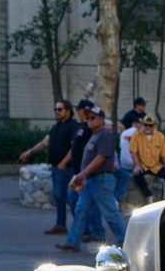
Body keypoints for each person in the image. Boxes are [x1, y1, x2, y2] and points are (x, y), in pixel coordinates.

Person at [56, 107, 126, 251]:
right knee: (81, 209)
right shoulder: (94, 135)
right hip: (91, 180)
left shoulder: (105, 135)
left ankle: (125, 241)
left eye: (93, 118)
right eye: (87, 118)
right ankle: (72, 242)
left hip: (102, 179)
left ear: (101, 120)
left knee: (110, 213)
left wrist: (83, 174)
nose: (89, 120)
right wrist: (84, 175)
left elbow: (101, 158)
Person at [18, 99, 79, 235]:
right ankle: (61, 224)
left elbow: (75, 147)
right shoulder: (56, 127)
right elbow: (44, 142)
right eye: (55, 109)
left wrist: (64, 162)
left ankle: (83, 226)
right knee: (59, 196)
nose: (57, 112)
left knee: (69, 197)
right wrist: (29, 152)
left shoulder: (73, 126)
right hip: (56, 167)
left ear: (68, 111)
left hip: (67, 168)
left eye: (60, 109)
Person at [61, 99, 104, 242]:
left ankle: (95, 232)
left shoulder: (92, 129)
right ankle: (87, 230)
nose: (85, 115)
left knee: (88, 203)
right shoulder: (82, 127)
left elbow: (98, 152)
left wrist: (85, 172)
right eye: (84, 112)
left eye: (89, 113)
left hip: (86, 173)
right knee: (74, 200)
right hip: (79, 172)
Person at [130, 114, 165, 200]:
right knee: (137, 174)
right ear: (143, 125)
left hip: (156, 166)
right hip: (142, 165)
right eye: (146, 124)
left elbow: (164, 153)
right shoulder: (136, 135)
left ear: (154, 126)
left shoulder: (160, 136)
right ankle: (148, 196)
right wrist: (137, 165)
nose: (148, 127)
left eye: (150, 125)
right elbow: (133, 151)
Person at [115, 121, 138, 202]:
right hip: (134, 165)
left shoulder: (124, 133)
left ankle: (117, 199)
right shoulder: (140, 133)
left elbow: (121, 148)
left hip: (123, 164)